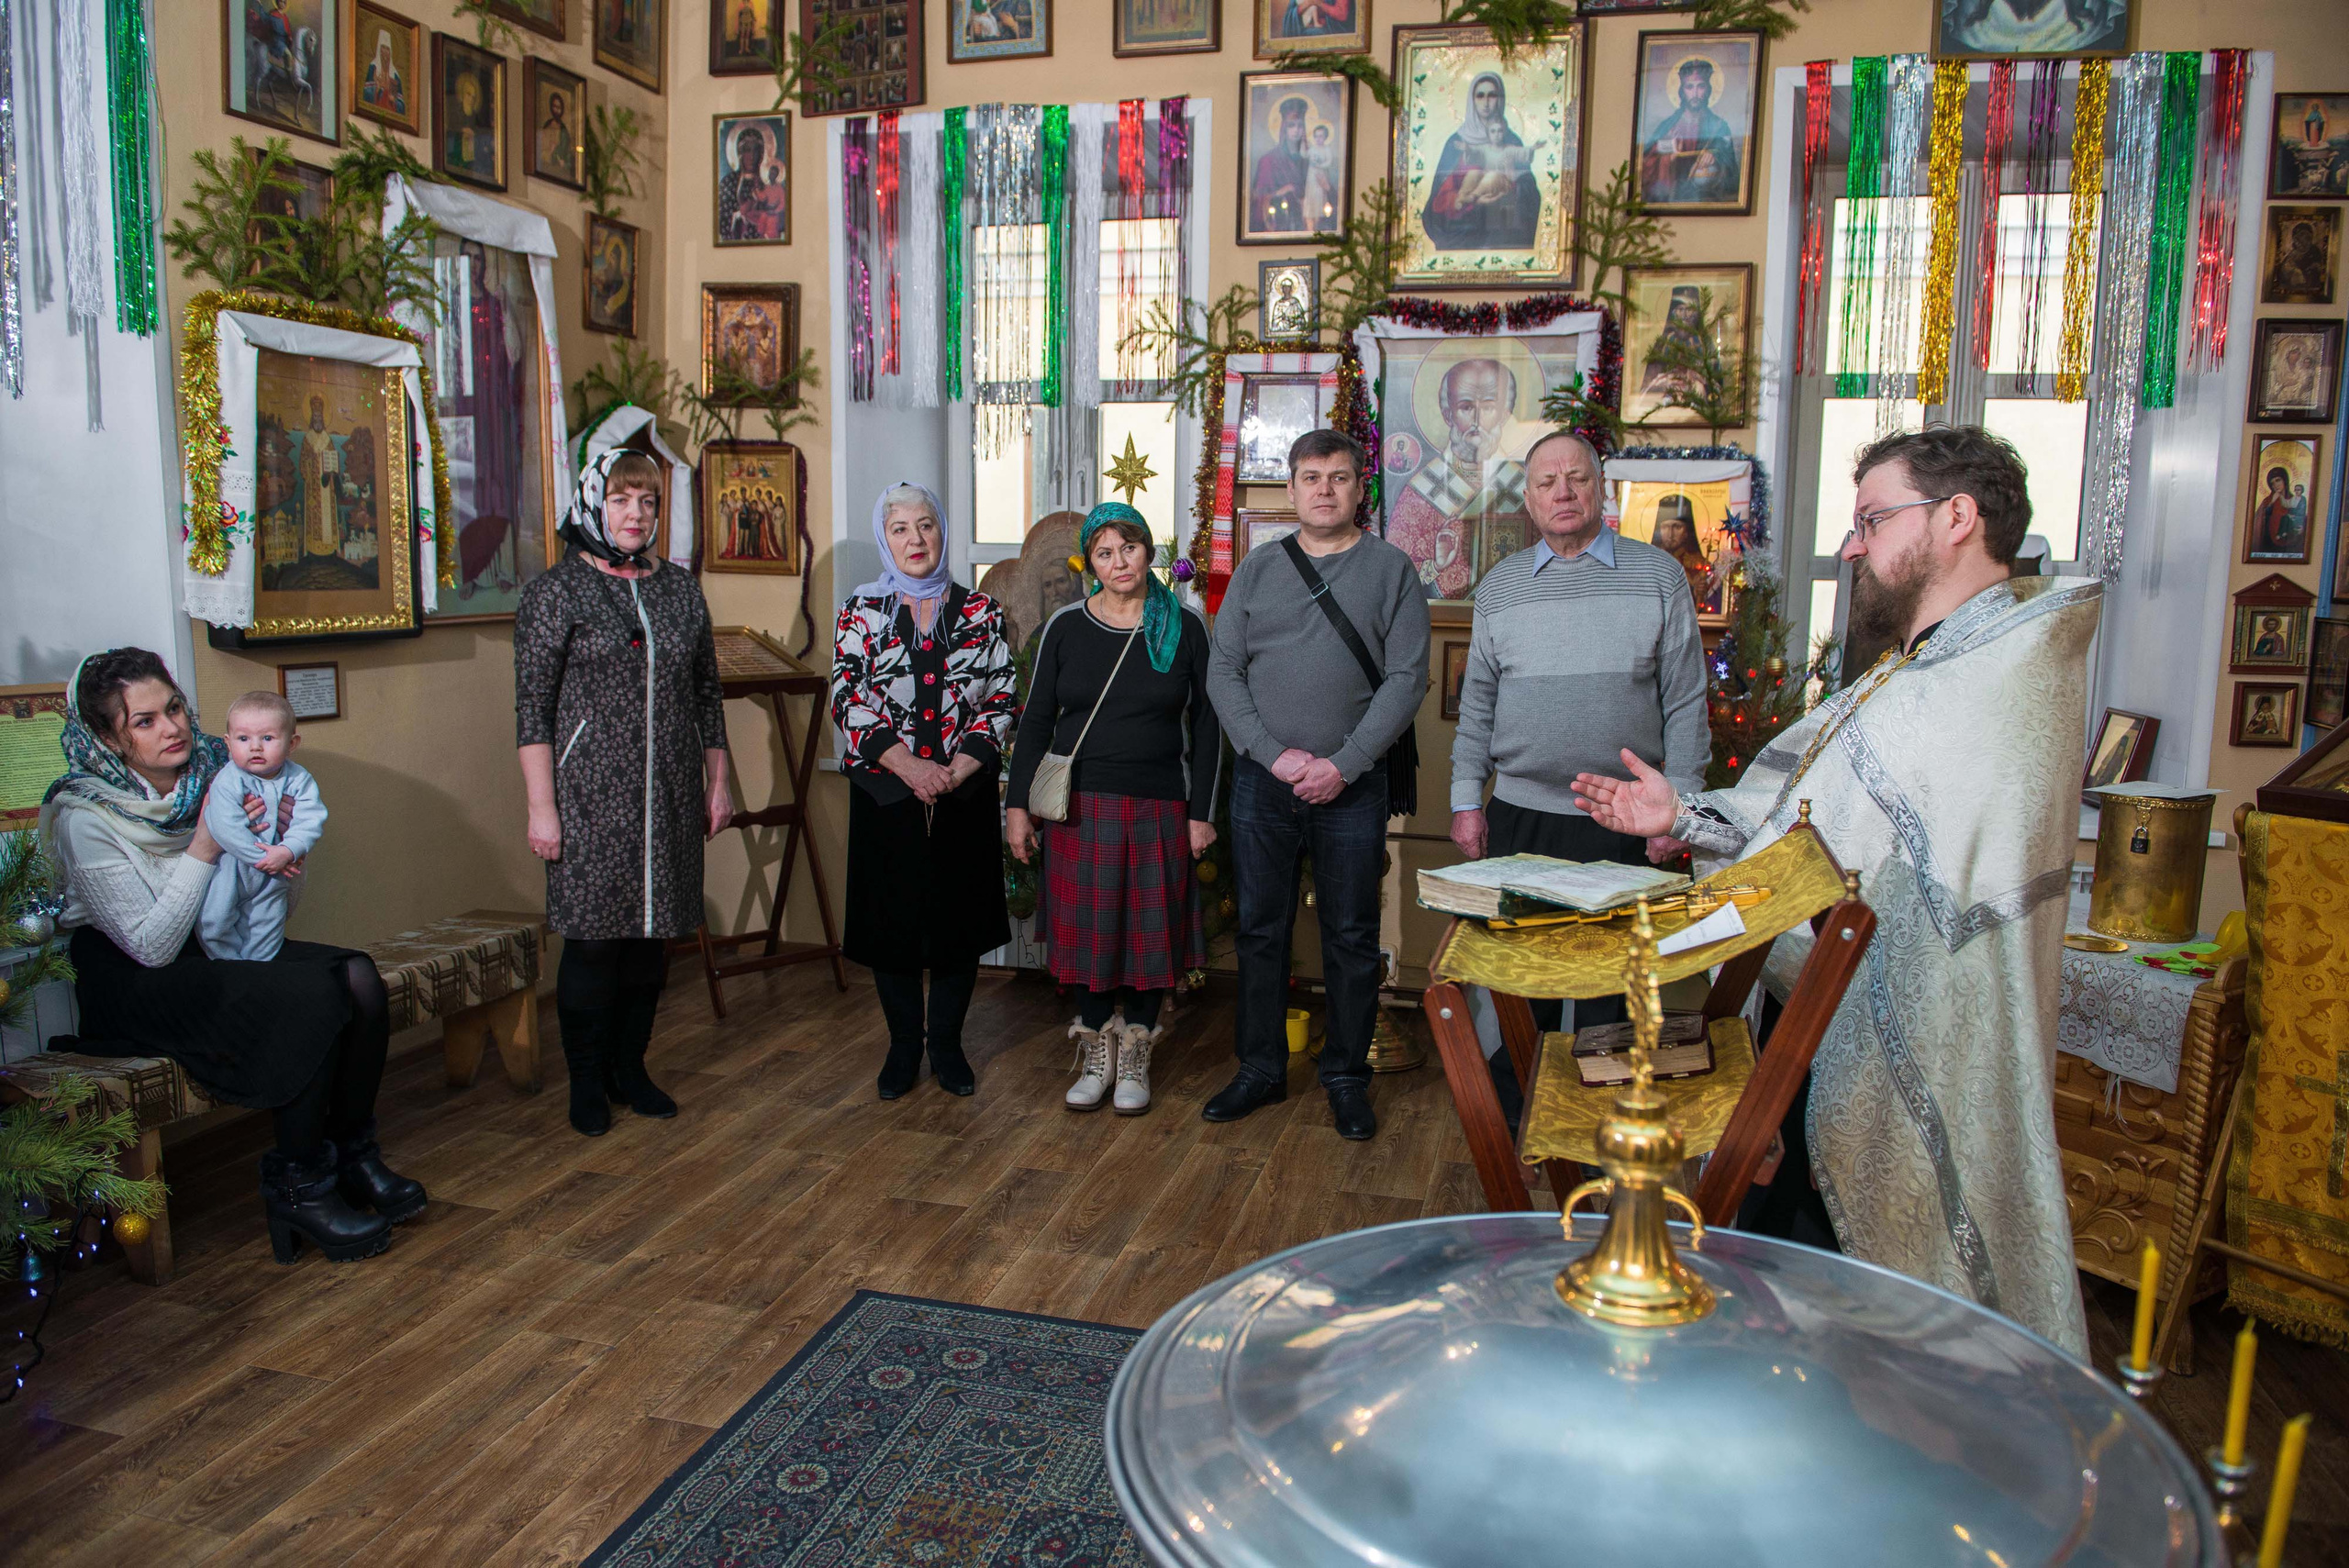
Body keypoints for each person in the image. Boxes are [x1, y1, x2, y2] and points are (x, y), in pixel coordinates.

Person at [1571, 424, 2099, 1356]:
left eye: (1869, 519)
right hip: (1847, 1009)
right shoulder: (1930, 664)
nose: (1852, 545)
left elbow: (1803, 851)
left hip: (1911, 1035)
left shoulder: (1982, 681)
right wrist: (1683, 812)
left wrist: (1696, 851)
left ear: (1957, 518)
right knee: (1805, 1273)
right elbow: (1805, 811)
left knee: (1862, 1310)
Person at [41, 649, 423, 1264]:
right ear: (105, 738)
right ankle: (299, 1186)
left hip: (215, 942)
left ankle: (353, 1155)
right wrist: (206, 844)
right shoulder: (85, 816)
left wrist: (275, 852)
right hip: (133, 977)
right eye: (143, 721)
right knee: (305, 995)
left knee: (357, 977)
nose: (171, 728)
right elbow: (151, 946)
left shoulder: (223, 776)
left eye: (173, 708)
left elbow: (275, 906)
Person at [1207, 430, 1430, 1140]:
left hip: (1353, 785)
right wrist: (1273, 756)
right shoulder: (1258, 569)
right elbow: (1223, 672)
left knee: (1351, 936)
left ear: (1360, 486)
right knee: (1260, 930)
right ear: (1292, 489)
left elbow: (1407, 679)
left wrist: (1346, 762)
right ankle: (1262, 1069)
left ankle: (1345, 1077)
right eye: (1310, 477)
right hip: (1263, 784)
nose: (1324, 489)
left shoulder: (1392, 570)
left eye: (1338, 476)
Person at [1450, 432, 1709, 1038]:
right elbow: (1477, 704)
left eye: (1577, 478)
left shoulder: (1658, 577)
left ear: (1601, 488)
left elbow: (1688, 701)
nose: (1562, 492)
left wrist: (1680, 808)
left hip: (1625, 819)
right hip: (1521, 816)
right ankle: (1519, 1111)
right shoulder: (1499, 588)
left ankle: (1603, 1111)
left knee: (1611, 992)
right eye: (1546, 482)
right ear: (1530, 501)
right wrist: (1466, 799)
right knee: (1522, 986)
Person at [515, 449, 731, 1138]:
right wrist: (541, 806)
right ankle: (586, 1079)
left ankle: (629, 1067)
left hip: (667, 791)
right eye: (619, 500)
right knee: (594, 942)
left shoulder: (678, 589)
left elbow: (706, 694)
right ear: (592, 503)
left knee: (651, 943)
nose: (634, 514)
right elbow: (532, 711)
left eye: (646, 502)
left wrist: (718, 781)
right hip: (587, 796)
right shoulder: (556, 592)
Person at [1006, 503, 1220, 1117]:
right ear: (1090, 562)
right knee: (1091, 938)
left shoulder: (1184, 627)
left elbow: (1207, 726)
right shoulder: (1066, 630)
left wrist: (1201, 813)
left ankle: (1137, 1055)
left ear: (1147, 550)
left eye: (1129, 547)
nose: (1119, 562)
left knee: (1149, 939)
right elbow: (1037, 719)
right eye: (1104, 552)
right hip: (1078, 810)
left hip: (1157, 805)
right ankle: (1097, 1051)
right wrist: (1017, 808)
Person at [832, 483, 1016, 1099]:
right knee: (895, 928)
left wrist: (958, 768)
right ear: (885, 540)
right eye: (900, 529)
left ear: (942, 532)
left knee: (958, 926)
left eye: (927, 526)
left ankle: (948, 1046)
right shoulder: (861, 611)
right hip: (888, 791)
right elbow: (847, 696)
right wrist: (909, 765)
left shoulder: (980, 611)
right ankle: (903, 1048)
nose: (915, 540)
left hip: (962, 792)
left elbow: (1000, 697)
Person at [1386, 358, 1531, 601]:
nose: (1476, 421)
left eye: (1487, 407)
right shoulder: (1421, 491)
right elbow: (1391, 578)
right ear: (1447, 415)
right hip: (1440, 625)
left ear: (1504, 415)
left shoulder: (1523, 486)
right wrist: (1436, 566)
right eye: (1465, 407)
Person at [199, 691, 327, 963]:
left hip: (274, 872)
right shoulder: (228, 779)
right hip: (231, 868)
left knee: (268, 922)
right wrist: (263, 858)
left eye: (267, 738)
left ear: (292, 743)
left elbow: (310, 818)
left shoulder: (299, 779)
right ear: (228, 742)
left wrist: (288, 850)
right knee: (215, 919)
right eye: (244, 739)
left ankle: (260, 970)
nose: (255, 747)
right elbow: (225, 826)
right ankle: (229, 966)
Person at [1419, 72, 1543, 251]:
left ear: (1500, 99)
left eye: (1492, 95)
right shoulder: (1456, 142)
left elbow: (1529, 191)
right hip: (1462, 233)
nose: (1486, 102)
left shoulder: (1511, 141)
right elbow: (1437, 202)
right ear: (1472, 100)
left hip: (1500, 229)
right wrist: (1465, 202)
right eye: (1480, 96)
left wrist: (1509, 190)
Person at [1640, 58, 1740, 206]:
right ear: (1682, 90)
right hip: (1671, 198)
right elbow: (1645, 162)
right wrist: (1667, 155)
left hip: (1704, 198)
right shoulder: (1668, 126)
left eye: (1700, 86)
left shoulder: (1719, 127)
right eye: (1689, 87)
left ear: (1708, 90)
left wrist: (1715, 157)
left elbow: (1732, 175)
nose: (1694, 93)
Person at [1250, 98, 1314, 235]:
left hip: (1304, 224)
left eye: (1300, 126)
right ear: (1284, 128)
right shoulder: (1268, 160)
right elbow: (1258, 199)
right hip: (1279, 221)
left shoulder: (1309, 161)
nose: (1296, 130)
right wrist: (1281, 192)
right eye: (1291, 125)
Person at [718, 122, 789, 244]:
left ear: (762, 155)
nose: (751, 156)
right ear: (739, 153)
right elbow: (722, 221)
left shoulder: (769, 183)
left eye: (756, 150)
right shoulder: (728, 183)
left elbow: (782, 218)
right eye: (746, 150)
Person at [2250, 465, 2304, 557]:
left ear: (2285, 480)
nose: (2275, 485)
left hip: (2290, 542)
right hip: (2269, 542)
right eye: (2272, 483)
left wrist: (2301, 527)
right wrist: (2271, 503)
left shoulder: (2295, 499)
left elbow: (2300, 517)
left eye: (2278, 480)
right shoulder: (2267, 501)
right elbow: (2258, 521)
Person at [360, 30, 406, 117]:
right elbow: (366, 94)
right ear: (379, 49)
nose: (385, 52)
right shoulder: (373, 68)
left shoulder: (395, 75)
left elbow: (401, 105)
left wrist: (393, 100)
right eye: (383, 47)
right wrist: (377, 88)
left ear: (390, 52)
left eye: (387, 49)